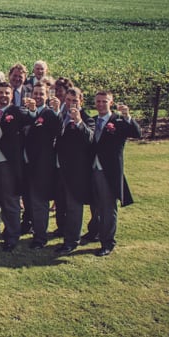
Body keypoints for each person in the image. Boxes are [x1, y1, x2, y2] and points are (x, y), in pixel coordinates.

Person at [90, 91, 142, 256]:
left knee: (108, 207)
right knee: (95, 205)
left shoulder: (118, 121)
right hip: (92, 168)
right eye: (98, 101)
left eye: (104, 101)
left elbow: (136, 133)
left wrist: (127, 116)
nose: (100, 104)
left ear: (110, 103)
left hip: (109, 170)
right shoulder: (92, 120)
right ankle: (95, 232)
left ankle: (108, 242)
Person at [53, 87, 93, 255]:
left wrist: (78, 122)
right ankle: (62, 230)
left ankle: (71, 240)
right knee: (60, 203)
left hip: (76, 171)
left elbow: (90, 138)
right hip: (59, 168)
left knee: (73, 207)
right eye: (68, 100)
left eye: (74, 101)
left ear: (81, 101)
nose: (70, 104)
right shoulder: (61, 115)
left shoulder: (86, 119)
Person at [22, 83, 62, 249]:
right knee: (29, 201)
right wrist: (31, 113)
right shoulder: (25, 111)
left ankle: (40, 237)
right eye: (35, 93)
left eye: (41, 94)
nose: (37, 96)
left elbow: (58, 130)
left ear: (46, 96)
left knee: (40, 203)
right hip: (25, 164)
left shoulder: (49, 114)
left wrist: (57, 111)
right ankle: (32, 229)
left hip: (42, 165)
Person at [0, 82, 30, 251]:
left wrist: (33, 108)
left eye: (6, 93)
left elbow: (31, 118)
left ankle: (12, 235)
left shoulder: (17, 111)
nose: (3, 95)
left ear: (11, 95)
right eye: (0, 92)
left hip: (8, 162)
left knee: (10, 200)